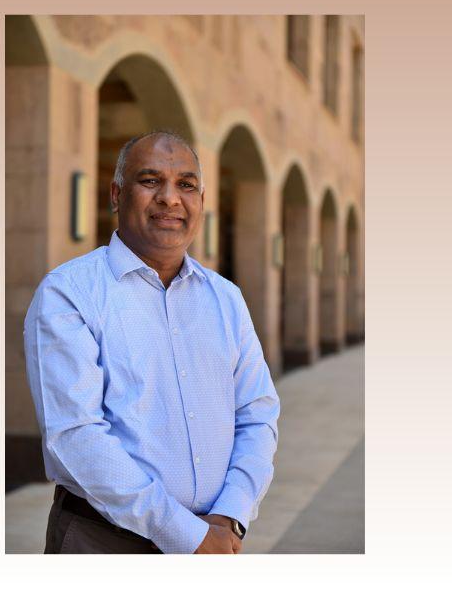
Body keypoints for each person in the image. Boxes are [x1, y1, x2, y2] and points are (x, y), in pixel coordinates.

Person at [23, 130, 280, 554]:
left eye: (186, 184)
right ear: (116, 194)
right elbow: (76, 436)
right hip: (103, 542)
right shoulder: (69, 293)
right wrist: (188, 535)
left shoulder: (226, 299)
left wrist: (230, 514)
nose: (170, 199)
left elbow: (257, 413)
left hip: (217, 537)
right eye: (149, 181)